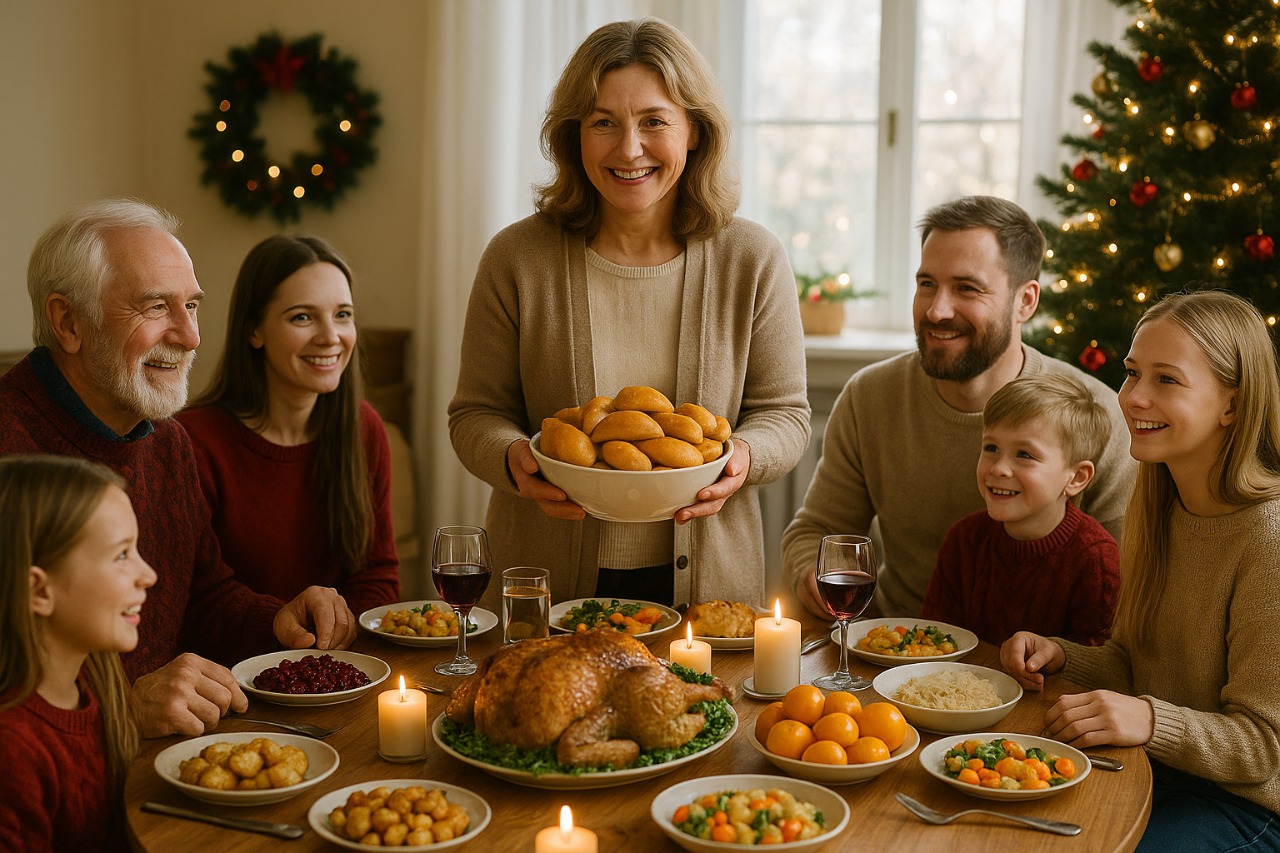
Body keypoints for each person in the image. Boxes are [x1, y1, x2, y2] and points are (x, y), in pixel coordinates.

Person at [447, 18, 810, 609]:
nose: (629, 149)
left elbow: (785, 414)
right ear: (574, 136)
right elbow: (475, 414)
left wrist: (743, 456)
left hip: (707, 588)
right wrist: (514, 459)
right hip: (545, 582)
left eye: (654, 122)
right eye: (603, 123)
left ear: (695, 131)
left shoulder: (752, 258)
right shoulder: (516, 257)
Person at [0, 198, 356, 738]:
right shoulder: (10, 449)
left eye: (191, 306)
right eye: (154, 307)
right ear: (68, 322)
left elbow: (203, 595)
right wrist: (122, 710)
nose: (190, 337)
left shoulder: (167, 439)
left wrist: (279, 621)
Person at [1002, 290, 1280, 850]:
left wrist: (1150, 721)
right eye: (1132, 373)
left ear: (1231, 405)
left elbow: (1264, 747)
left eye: (1167, 379)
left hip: (1247, 806)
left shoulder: (1268, 539)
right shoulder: (1158, 506)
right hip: (1157, 769)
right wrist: (1062, 655)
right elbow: (1136, 663)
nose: (1133, 398)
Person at [781, 195, 1135, 619]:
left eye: (967, 288)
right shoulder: (870, 397)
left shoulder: (1097, 413)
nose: (937, 310)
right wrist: (814, 575)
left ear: (1025, 301)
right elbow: (816, 531)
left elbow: (1126, 583)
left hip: (1038, 657)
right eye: (927, 284)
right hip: (894, 643)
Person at [176, 235, 400, 617]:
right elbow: (198, 600)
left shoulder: (364, 428)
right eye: (302, 317)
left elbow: (376, 578)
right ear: (254, 330)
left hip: (342, 653)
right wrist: (290, 631)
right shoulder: (192, 443)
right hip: (234, 656)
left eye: (342, 315)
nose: (330, 337)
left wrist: (335, 640)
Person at [0, 455, 156, 852]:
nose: (148, 575)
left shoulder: (94, 683)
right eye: (122, 555)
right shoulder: (11, 752)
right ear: (40, 591)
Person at [920, 372, 1120, 646]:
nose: (999, 468)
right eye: (991, 448)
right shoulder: (964, 539)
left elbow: (1094, 664)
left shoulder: (1097, 560)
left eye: (1024, 454)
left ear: (1076, 478)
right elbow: (932, 640)